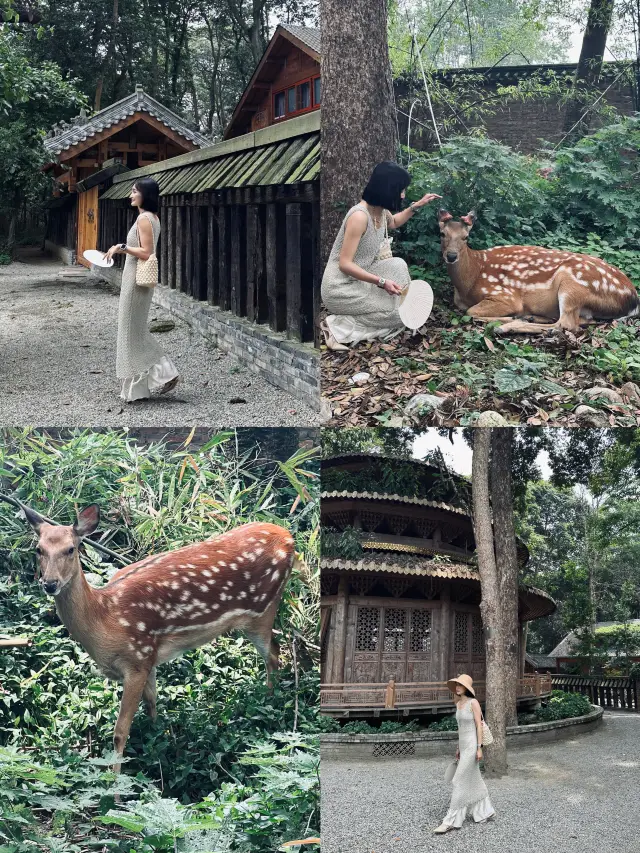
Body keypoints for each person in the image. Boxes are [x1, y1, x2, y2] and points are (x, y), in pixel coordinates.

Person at [320, 160, 441, 348]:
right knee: (399, 314)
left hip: (361, 277)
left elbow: (393, 223)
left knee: (398, 264)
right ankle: (336, 328)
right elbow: (344, 264)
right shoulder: (359, 216)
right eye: (401, 190)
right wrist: (381, 282)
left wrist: (417, 205)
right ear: (388, 189)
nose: (403, 195)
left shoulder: (380, 212)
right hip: (340, 287)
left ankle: (367, 318)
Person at [104, 178, 179, 401]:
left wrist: (122, 247)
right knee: (131, 331)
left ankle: (167, 372)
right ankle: (137, 388)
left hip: (136, 282)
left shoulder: (145, 219)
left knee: (131, 331)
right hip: (133, 279)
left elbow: (147, 252)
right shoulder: (151, 217)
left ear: (145, 194)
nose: (131, 194)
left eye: (134, 191)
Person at [434, 674, 496, 834]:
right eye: (456, 685)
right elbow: (460, 728)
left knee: (458, 780)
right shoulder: (458, 703)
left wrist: (479, 747)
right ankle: (485, 812)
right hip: (463, 746)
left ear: (467, 688)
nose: (457, 687)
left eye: (460, 685)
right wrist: (457, 748)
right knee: (474, 779)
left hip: (472, 745)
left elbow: (479, 725)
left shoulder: (473, 702)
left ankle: (451, 821)